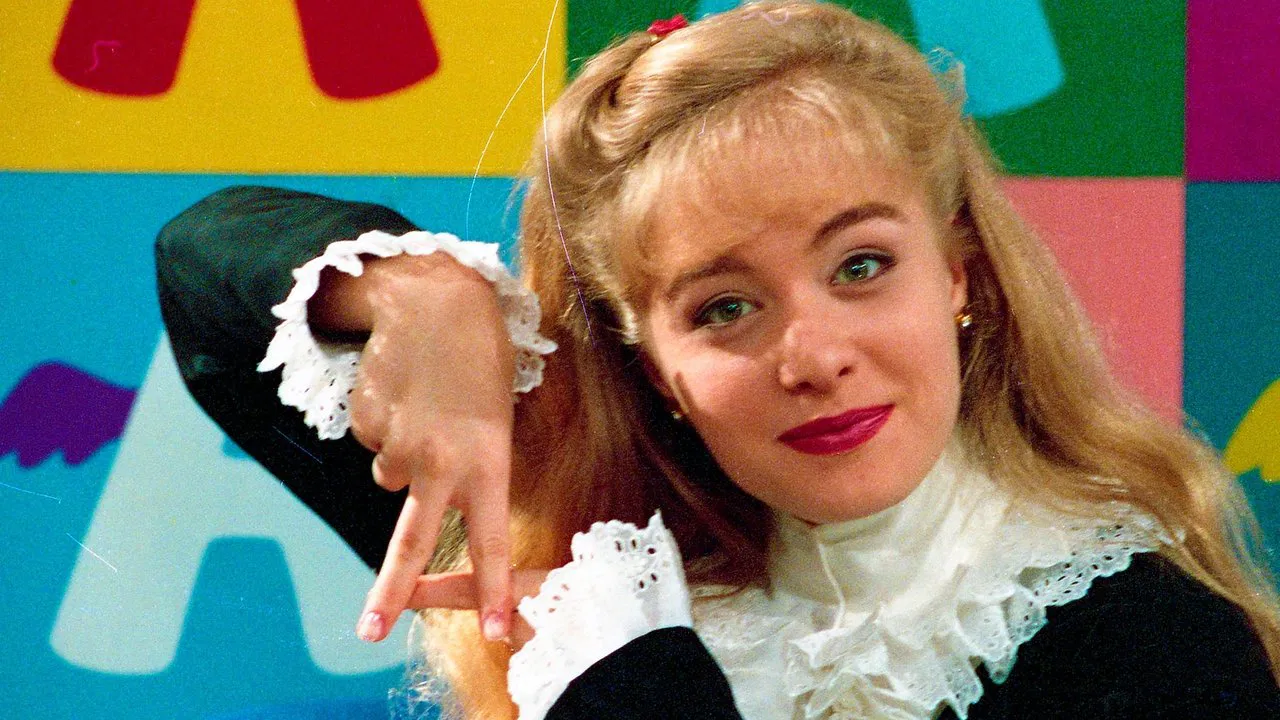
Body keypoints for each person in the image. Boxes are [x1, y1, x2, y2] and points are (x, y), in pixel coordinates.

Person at [156, 2, 1280, 718]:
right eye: (725, 307)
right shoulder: (594, 568)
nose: (814, 357)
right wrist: (422, 297)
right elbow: (202, 271)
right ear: (651, 366)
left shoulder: (1150, 644)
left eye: (859, 266)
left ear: (959, 276)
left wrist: (636, 697)